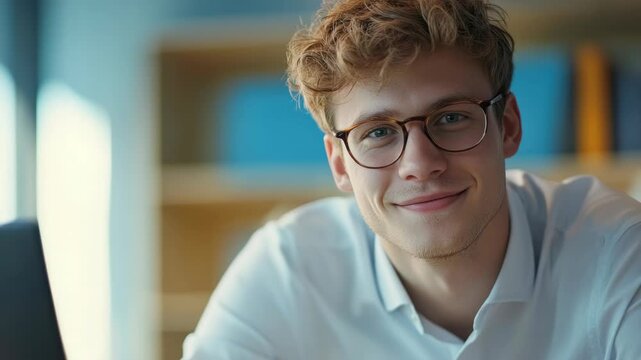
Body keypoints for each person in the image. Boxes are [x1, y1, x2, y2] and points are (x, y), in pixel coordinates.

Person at [182, 0, 641, 358]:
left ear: (508, 127)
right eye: (377, 132)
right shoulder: (288, 268)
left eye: (451, 118)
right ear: (340, 164)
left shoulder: (615, 248)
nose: (420, 163)